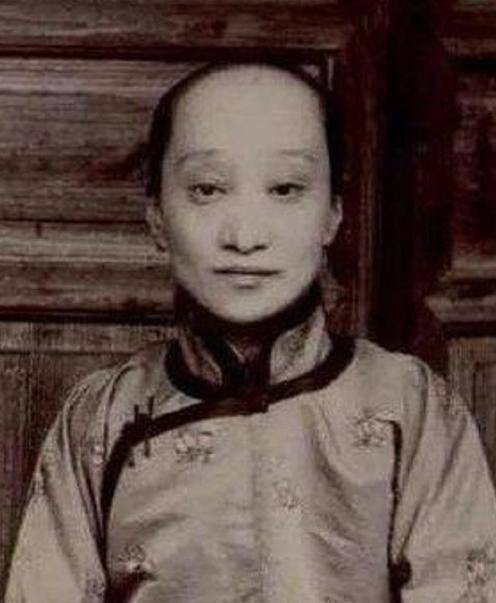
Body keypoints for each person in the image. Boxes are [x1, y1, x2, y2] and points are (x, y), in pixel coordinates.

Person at [6, 61, 496, 603]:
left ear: (333, 213)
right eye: (207, 189)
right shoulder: (103, 417)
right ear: (157, 217)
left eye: (285, 188)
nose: (245, 236)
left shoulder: (411, 407)